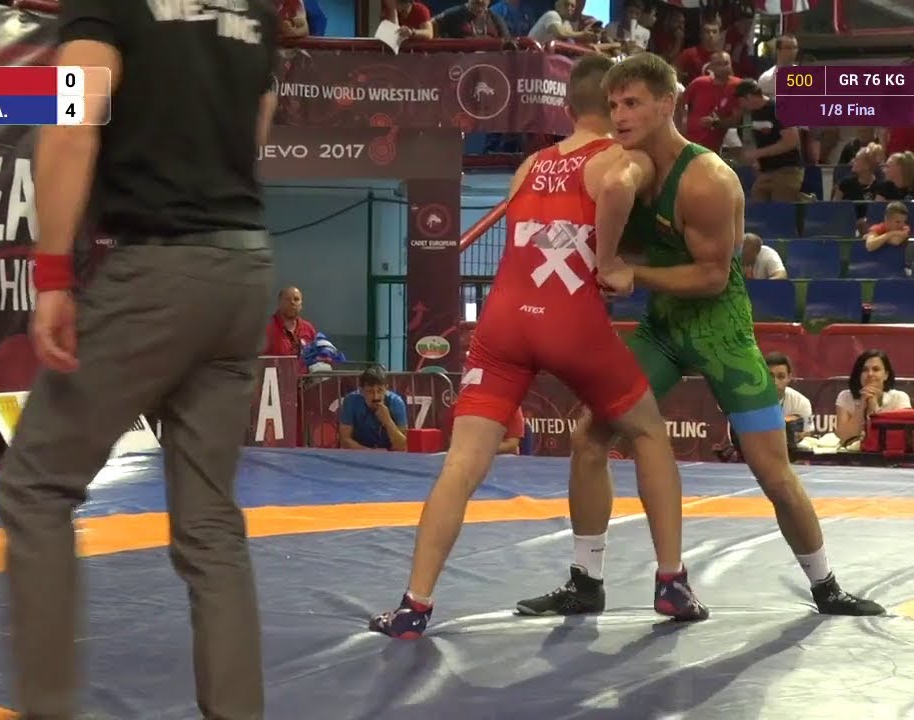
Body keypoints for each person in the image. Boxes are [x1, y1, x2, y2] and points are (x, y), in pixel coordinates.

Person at [517, 53, 885, 618]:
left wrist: (633, 273)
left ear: (668, 104)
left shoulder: (707, 179)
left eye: (633, 103)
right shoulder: (624, 168)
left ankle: (826, 585)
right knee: (590, 433)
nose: (619, 114)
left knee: (772, 469)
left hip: (721, 333)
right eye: (613, 104)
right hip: (663, 330)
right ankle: (586, 581)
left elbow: (713, 276)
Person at [0, 1, 280, 718]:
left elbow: (71, 119)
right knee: (210, 524)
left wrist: (52, 276)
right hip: (244, 269)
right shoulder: (255, 7)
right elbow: (259, 119)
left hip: (160, 269)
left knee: (35, 485)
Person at [369, 54, 708, 640]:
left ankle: (413, 606)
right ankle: (671, 581)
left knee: (461, 466)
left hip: (503, 324)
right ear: (613, 106)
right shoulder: (621, 158)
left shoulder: (529, 165)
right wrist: (609, 259)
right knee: (648, 433)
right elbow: (618, 189)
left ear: (567, 108)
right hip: (570, 321)